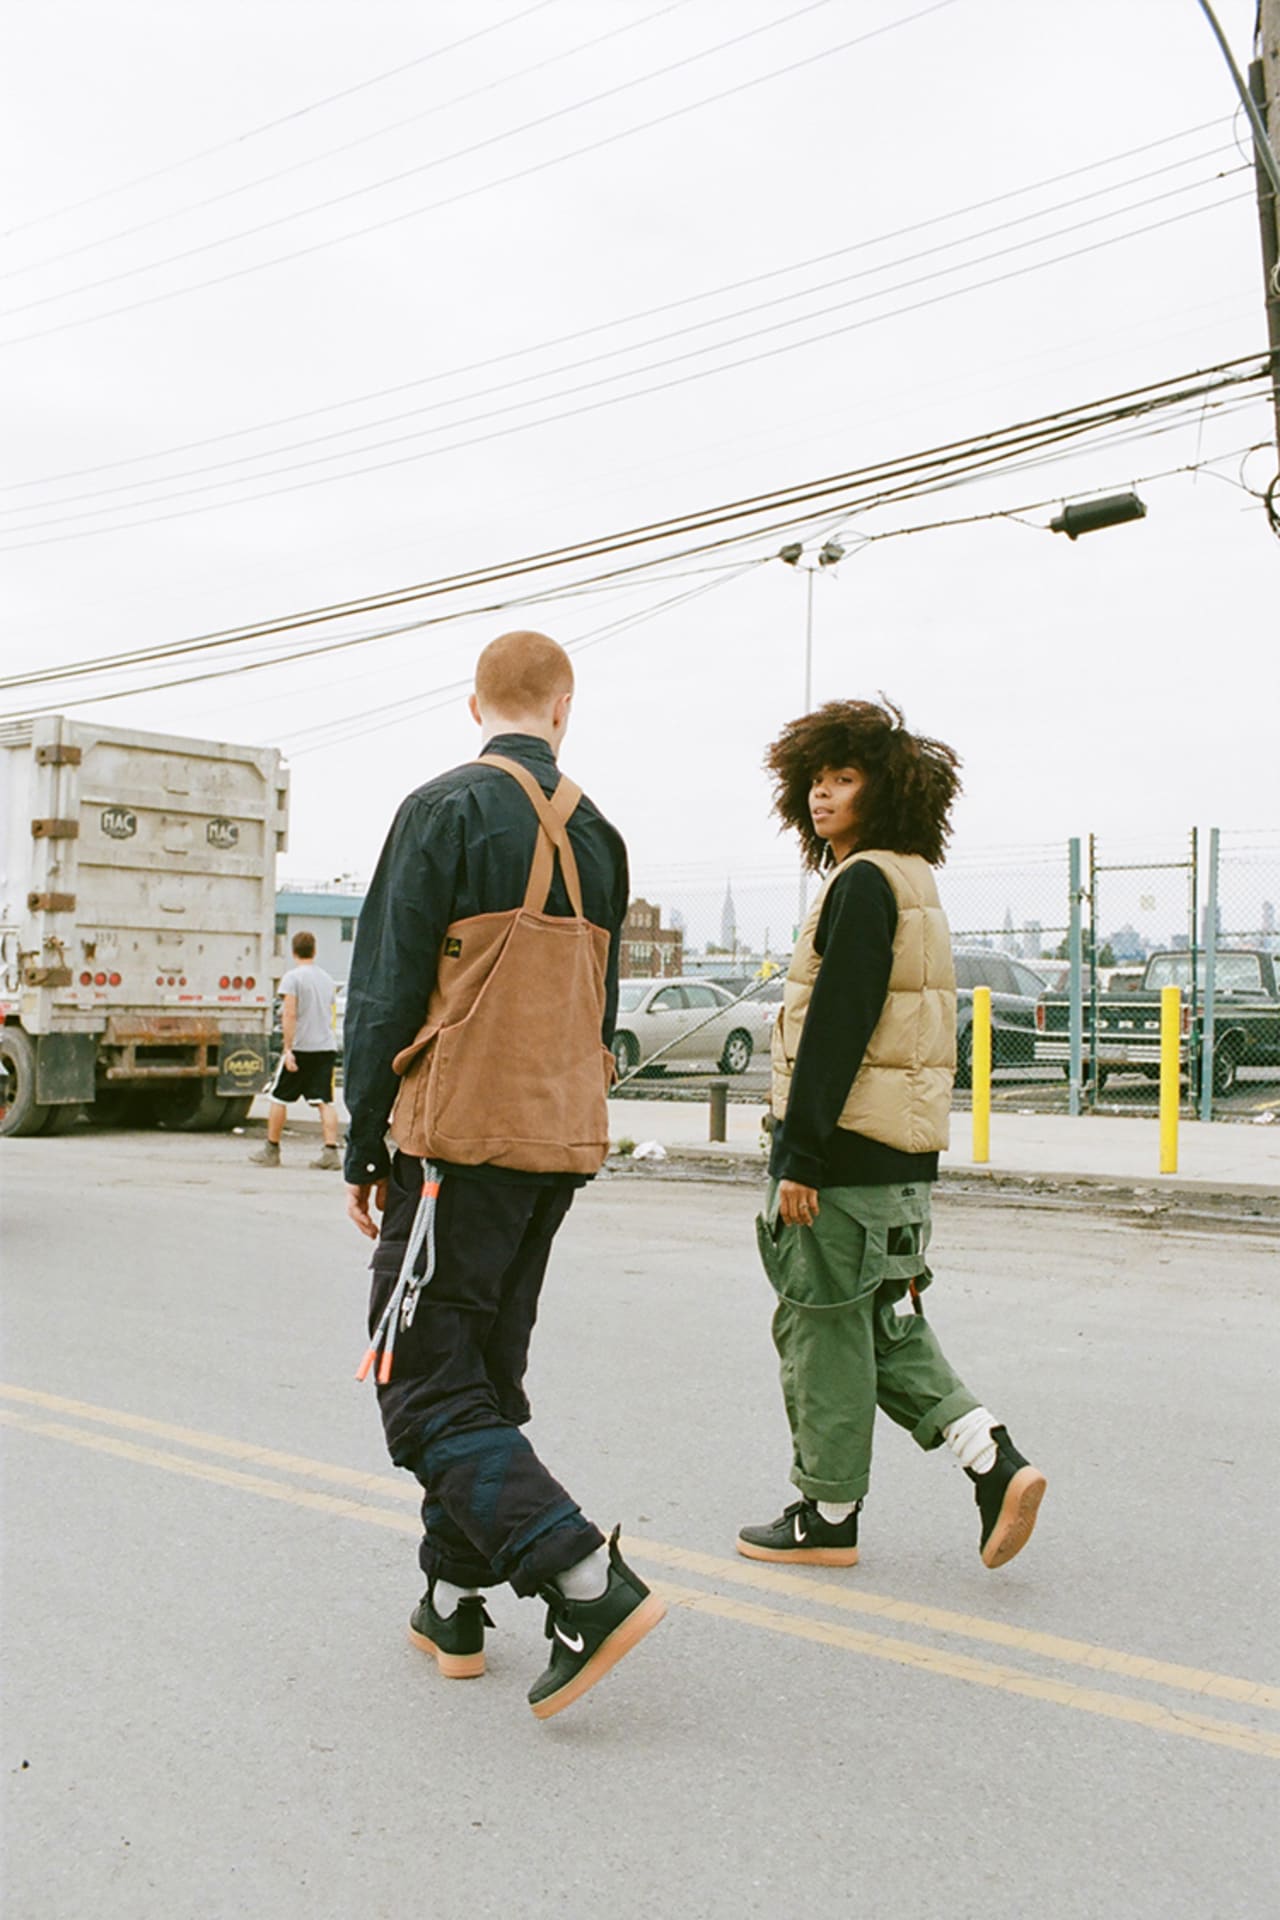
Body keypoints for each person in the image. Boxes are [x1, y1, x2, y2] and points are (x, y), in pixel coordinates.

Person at [342, 629, 665, 1720]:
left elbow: (386, 989)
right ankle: (452, 1600)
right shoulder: (604, 835)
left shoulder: (440, 810)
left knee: (418, 1382)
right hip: (554, 1146)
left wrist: (364, 1141)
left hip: (455, 1147)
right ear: (562, 708)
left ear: (470, 703)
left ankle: (580, 1576)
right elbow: (601, 1008)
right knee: (478, 1371)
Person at [738, 698, 1046, 1573]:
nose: (822, 797)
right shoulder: (916, 882)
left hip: (843, 1158)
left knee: (821, 1329)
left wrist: (800, 1156)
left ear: (886, 790)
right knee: (881, 1322)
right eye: (815, 782)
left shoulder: (864, 882)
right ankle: (992, 1458)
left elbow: (840, 1026)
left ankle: (827, 1515)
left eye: (843, 780)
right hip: (901, 1156)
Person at [249, 931, 342, 1170]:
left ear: (293, 951)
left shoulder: (292, 978)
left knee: (279, 1097)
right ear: (314, 950)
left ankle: (272, 1149)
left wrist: (288, 1048)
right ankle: (331, 1152)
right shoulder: (327, 979)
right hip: (325, 1046)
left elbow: (290, 1013)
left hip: (301, 1047)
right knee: (324, 1100)